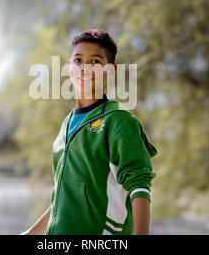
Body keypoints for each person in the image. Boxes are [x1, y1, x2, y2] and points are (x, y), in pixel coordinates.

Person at [22, 29, 158, 235]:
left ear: (110, 71)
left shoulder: (119, 122)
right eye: (78, 60)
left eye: (95, 62)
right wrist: (30, 234)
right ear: (69, 68)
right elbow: (64, 197)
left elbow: (139, 187)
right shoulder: (66, 125)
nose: (85, 68)